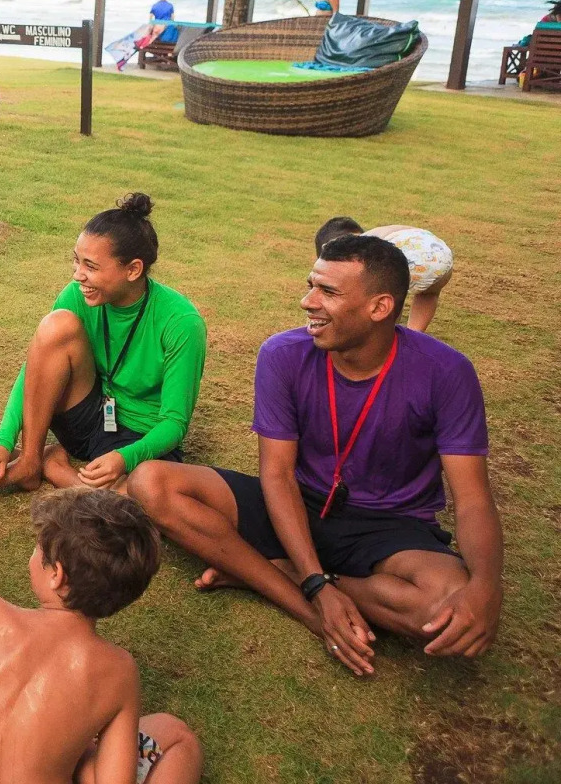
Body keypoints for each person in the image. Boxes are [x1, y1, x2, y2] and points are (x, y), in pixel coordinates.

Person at [130, 235, 503, 676]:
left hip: (391, 526)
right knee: (150, 483)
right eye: (312, 285)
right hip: (296, 502)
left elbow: (474, 498)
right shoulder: (282, 355)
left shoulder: (446, 372)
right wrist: (317, 592)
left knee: (443, 607)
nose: (308, 301)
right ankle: (300, 592)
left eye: (328, 292)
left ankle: (268, 572)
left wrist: (485, 589)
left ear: (380, 307)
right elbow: (277, 476)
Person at [0, 489, 203, 784]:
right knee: (176, 733)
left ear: (56, 574)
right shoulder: (119, 672)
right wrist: (70, 740)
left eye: (37, 547)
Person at [0, 193, 207, 494]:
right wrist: (2, 440)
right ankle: (31, 463)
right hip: (89, 418)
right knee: (55, 325)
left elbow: (175, 424)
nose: (78, 275)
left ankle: (56, 468)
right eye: (76, 260)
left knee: (144, 500)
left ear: (133, 270)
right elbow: (35, 368)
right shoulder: (76, 295)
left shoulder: (181, 322)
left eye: (91, 266)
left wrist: (125, 458)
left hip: (141, 437)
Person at [315, 217, 453, 333]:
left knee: (387, 297)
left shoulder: (361, 248)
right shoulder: (382, 231)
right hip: (442, 254)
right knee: (429, 294)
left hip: (410, 259)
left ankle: (390, 335)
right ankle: (414, 333)